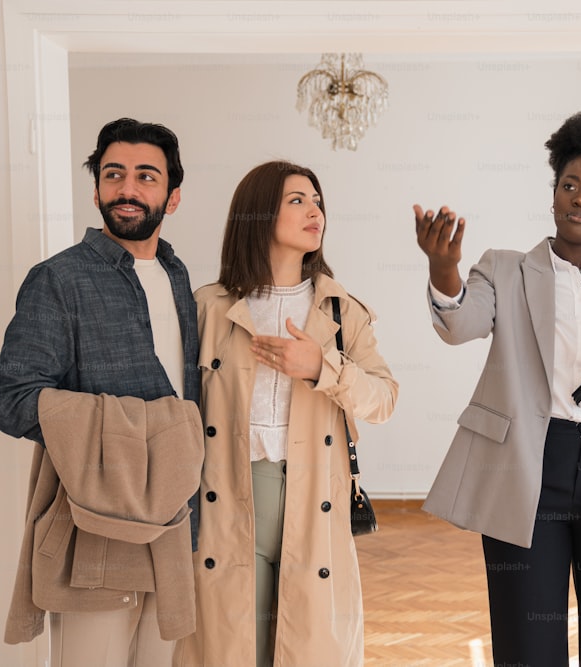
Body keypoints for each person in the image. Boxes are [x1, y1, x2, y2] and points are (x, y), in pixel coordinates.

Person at [414, 111, 581, 667]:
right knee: (528, 642)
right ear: (554, 193)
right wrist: (445, 270)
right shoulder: (504, 268)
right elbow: (458, 325)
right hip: (524, 467)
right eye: (570, 185)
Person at [0, 118, 202, 667]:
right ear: (97, 190)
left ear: (172, 197)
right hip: (96, 529)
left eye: (145, 176)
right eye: (114, 175)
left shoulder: (179, 278)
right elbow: (12, 399)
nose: (127, 189)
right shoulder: (59, 279)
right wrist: (124, 440)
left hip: (175, 525)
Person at [173, 160, 399, 667]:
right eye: (297, 200)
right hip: (227, 495)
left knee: (308, 647)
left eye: (317, 200)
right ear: (257, 215)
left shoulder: (342, 312)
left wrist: (323, 366)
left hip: (315, 496)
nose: (314, 210)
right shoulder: (208, 307)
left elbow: (384, 399)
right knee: (231, 647)